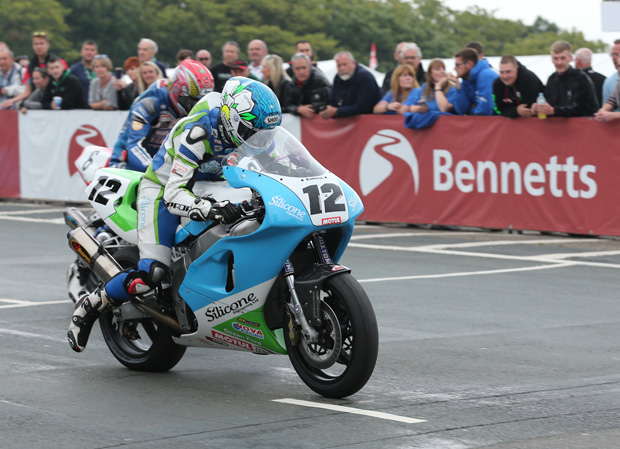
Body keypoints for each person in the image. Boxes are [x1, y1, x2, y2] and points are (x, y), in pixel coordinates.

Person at [68, 77, 283, 353]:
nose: (259, 140)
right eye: (252, 132)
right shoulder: (198, 132)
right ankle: (90, 305)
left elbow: (282, 163)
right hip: (163, 190)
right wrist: (211, 209)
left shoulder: (255, 133)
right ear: (230, 119)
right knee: (152, 273)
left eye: (264, 133)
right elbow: (174, 194)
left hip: (215, 185)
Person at [109, 59, 213, 171]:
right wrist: (158, 171)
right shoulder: (151, 103)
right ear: (177, 90)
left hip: (163, 165)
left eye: (200, 102)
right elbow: (133, 147)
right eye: (191, 102)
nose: (194, 107)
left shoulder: (198, 109)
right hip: (127, 163)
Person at [531, 41, 599, 118]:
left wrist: (553, 111)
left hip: (582, 127)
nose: (559, 62)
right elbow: (549, 103)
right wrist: (538, 108)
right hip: (557, 127)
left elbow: (582, 109)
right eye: (555, 58)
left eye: (563, 58)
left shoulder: (581, 79)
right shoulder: (552, 79)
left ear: (570, 58)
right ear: (551, 59)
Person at [2, 31, 67, 109]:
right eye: (36, 44)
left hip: (57, 100)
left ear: (48, 45)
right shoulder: (30, 66)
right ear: (33, 46)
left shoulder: (59, 63)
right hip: (39, 100)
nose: (39, 47)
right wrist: (12, 100)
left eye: (41, 43)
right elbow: (27, 91)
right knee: (25, 104)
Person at [320, 51, 382, 119]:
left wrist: (337, 111)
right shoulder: (338, 78)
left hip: (366, 122)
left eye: (345, 64)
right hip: (343, 122)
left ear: (354, 64)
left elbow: (363, 107)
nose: (342, 68)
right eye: (339, 65)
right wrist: (327, 109)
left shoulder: (365, 77)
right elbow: (332, 101)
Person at [403, 58, 457, 129]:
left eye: (443, 69)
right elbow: (411, 107)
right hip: (425, 129)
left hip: (445, 128)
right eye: (438, 69)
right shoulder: (424, 87)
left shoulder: (452, 89)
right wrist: (417, 109)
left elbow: (444, 109)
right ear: (430, 73)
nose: (442, 71)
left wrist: (438, 87)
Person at [449, 48, 499, 116]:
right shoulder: (466, 80)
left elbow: (485, 110)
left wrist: (471, 111)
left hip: (501, 123)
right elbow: (462, 111)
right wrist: (458, 88)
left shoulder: (486, 75)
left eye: (457, 65)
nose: (454, 68)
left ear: (470, 64)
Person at [284, 53, 331, 118]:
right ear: (293, 70)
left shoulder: (320, 81)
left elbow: (327, 103)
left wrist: (309, 109)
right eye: (297, 68)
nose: (301, 72)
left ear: (309, 67)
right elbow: (288, 104)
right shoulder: (292, 84)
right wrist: (298, 109)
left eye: (304, 67)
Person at [70, 40, 98, 106]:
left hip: (98, 106)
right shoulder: (74, 69)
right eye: (86, 49)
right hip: (81, 108)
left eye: (92, 50)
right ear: (81, 52)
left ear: (96, 53)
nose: (89, 52)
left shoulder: (100, 69)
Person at [602, 39, 620, 104]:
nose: (613, 58)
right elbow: (606, 107)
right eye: (612, 54)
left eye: (617, 54)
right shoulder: (609, 81)